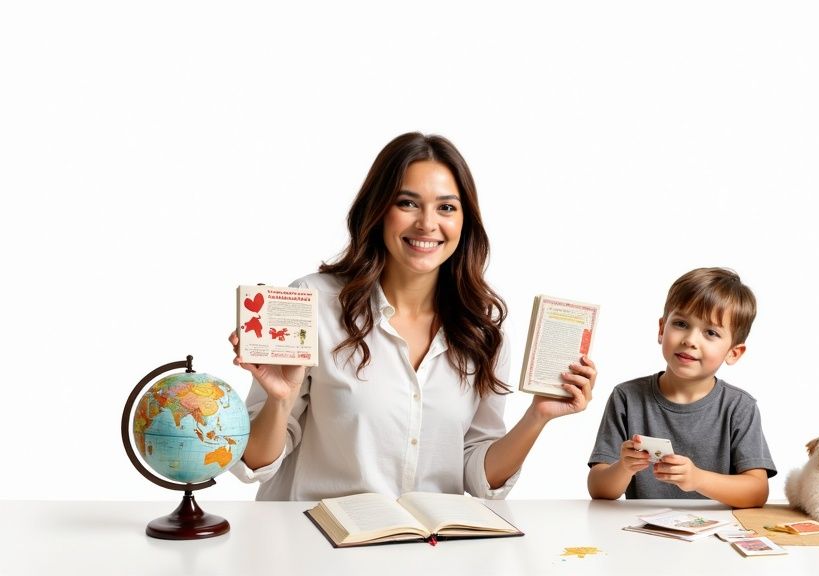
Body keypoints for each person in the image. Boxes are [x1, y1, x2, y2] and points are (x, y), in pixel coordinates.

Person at [229, 132, 597, 501]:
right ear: (378, 210)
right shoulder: (311, 301)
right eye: (408, 203)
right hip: (321, 544)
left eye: (446, 208)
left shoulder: (485, 325)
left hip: (428, 548)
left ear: (465, 222)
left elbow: (478, 475)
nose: (427, 223)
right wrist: (281, 397)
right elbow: (255, 465)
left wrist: (538, 415)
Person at [587, 267, 774, 507]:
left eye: (710, 332)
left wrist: (697, 479)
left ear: (733, 352)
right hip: (641, 537)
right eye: (681, 324)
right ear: (661, 329)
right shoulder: (626, 397)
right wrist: (623, 467)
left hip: (717, 537)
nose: (690, 340)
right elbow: (599, 490)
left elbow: (757, 492)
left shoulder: (739, 407)